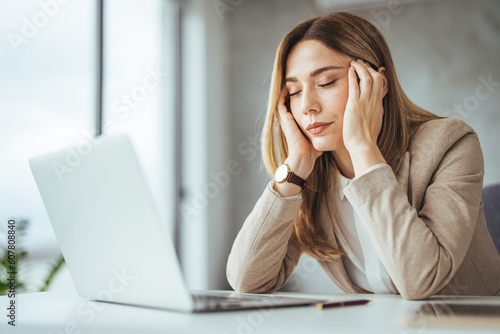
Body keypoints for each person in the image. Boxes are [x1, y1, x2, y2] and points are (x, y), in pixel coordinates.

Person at [226, 11, 500, 300]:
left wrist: (362, 147)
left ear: (377, 84)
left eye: (326, 82)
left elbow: (422, 279)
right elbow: (247, 281)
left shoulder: (451, 143)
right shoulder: (312, 176)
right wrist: (295, 167)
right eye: (294, 91)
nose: (307, 105)